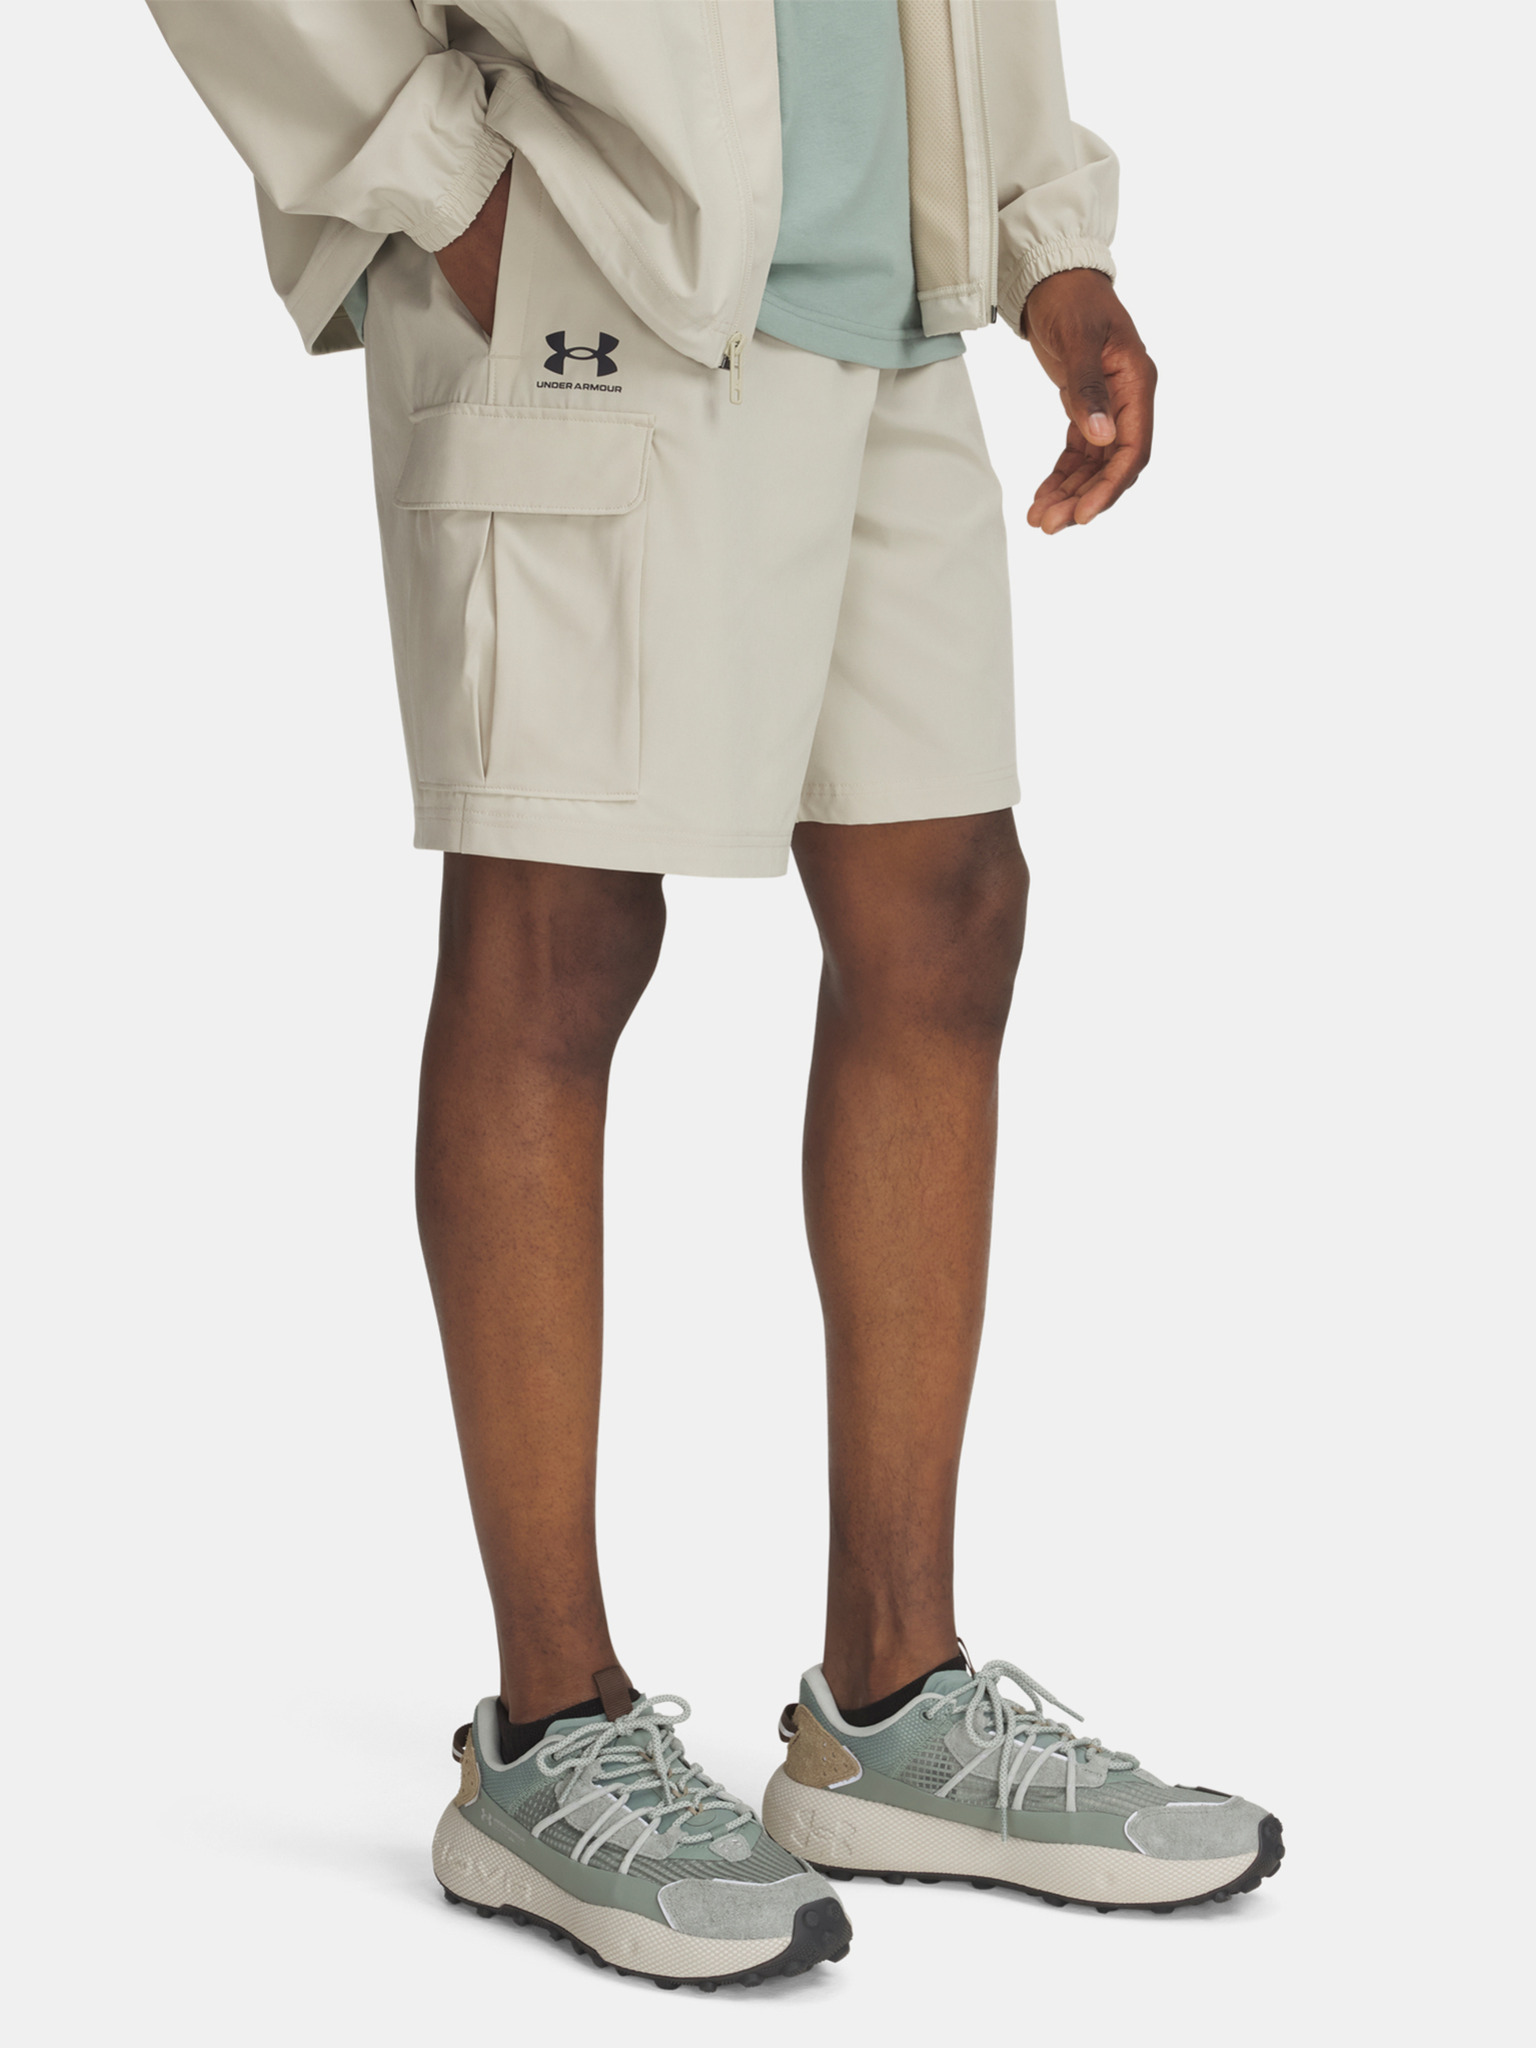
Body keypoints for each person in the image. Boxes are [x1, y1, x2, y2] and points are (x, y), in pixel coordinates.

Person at [147, 0, 1280, 1989]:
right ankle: (548, 1732)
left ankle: (891, 1703)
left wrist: (1040, 231)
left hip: (887, 296)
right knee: (558, 933)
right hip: (595, 263)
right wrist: (441, 184)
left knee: (947, 911)